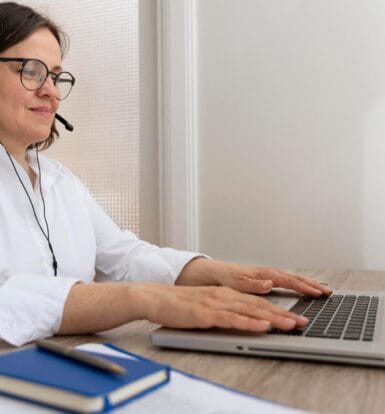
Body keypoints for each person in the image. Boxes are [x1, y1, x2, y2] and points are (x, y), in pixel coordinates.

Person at [0, 2, 332, 347]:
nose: (51, 92)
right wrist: (145, 299)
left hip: (69, 362)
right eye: (32, 71)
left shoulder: (60, 182)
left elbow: (123, 256)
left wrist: (216, 273)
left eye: (54, 76)